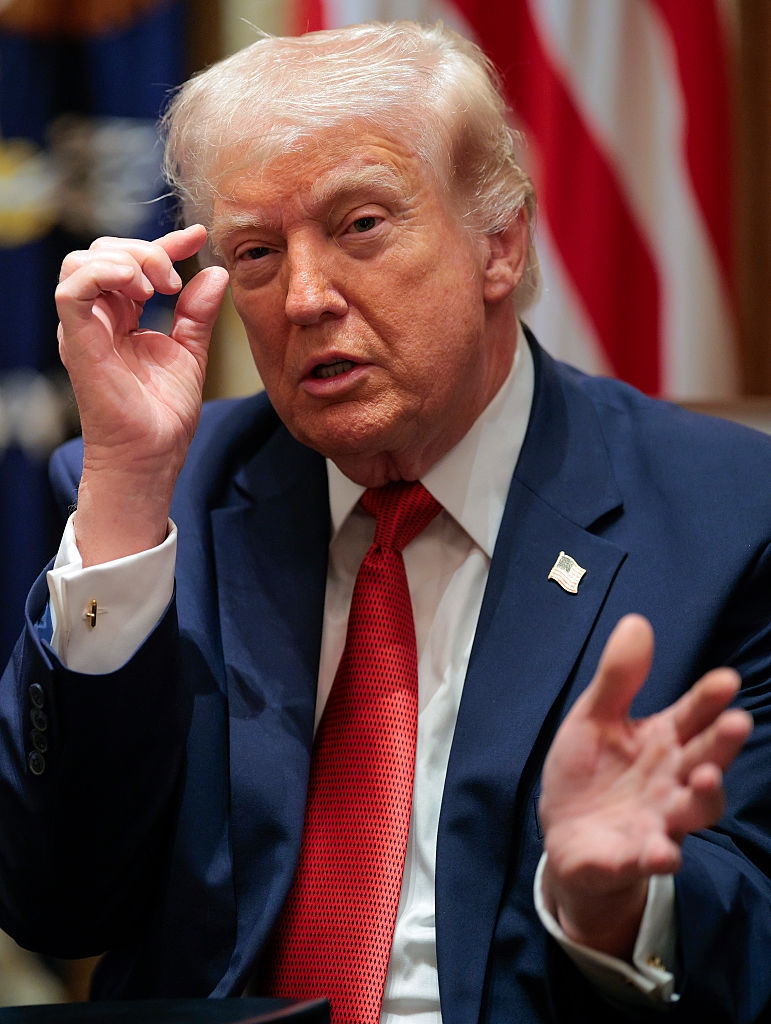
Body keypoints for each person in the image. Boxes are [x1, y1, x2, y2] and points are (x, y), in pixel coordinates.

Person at [0, 19, 770, 1024]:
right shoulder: (161, 496)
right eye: (259, 252)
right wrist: (128, 485)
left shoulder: (729, 520)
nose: (308, 297)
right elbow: (57, 903)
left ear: (501, 241)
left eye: (361, 224)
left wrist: (617, 903)